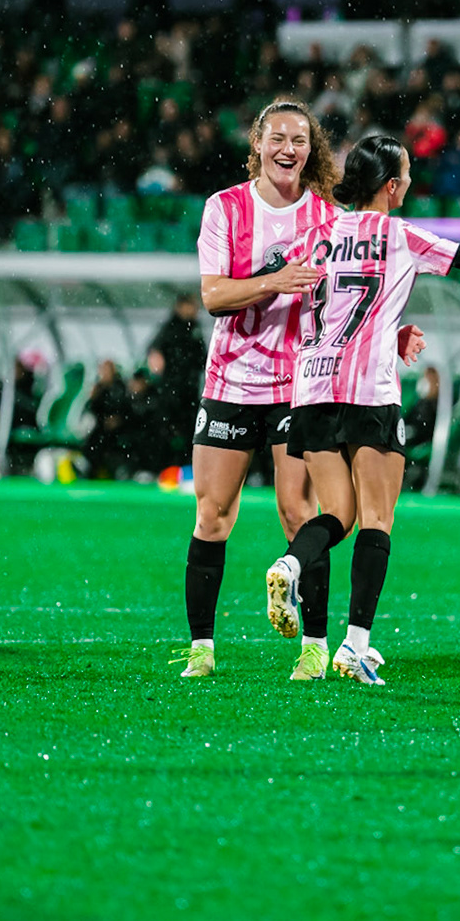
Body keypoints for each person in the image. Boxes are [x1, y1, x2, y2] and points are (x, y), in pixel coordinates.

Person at [264, 133, 460, 685]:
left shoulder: (317, 232)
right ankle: (356, 645)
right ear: (390, 185)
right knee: (377, 520)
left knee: (335, 514)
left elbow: (287, 286)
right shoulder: (398, 234)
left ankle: (290, 563)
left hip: (311, 390)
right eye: (405, 174)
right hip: (368, 393)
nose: (409, 182)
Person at [176, 101, 343, 679]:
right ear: (258, 144)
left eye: (300, 140)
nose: (288, 148)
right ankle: (202, 648)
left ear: (310, 150)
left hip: (300, 387)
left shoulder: (327, 217)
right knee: (213, 515)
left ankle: (315, 647)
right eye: (278, 137)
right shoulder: (224, 208)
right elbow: (215, 296)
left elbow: (349, 293)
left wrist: (392, 332)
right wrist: (275, 281)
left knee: (299, 514)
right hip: (230, 380)